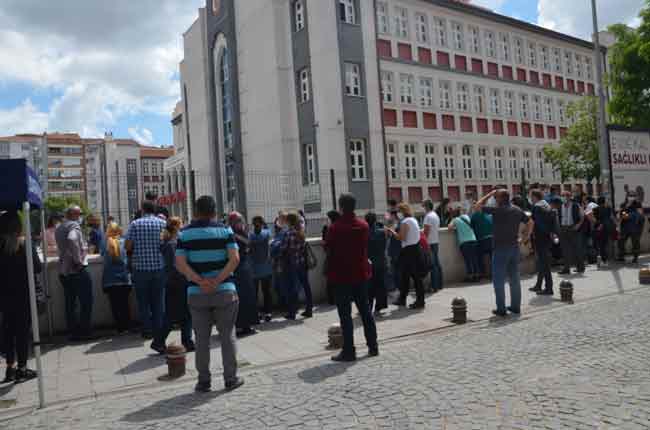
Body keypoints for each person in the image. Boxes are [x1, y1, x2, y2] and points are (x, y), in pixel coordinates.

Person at [175, 196, 243, 393]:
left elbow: (180, 263)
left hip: (197, 294)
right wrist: (218, 280)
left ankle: (203, 381)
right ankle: (230, 378)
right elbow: (234, 259)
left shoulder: (184, 234)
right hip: (225, 292)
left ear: (195, 211)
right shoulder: (225, 230)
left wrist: (199, 281)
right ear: (214, 211)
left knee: (201, 338)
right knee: (227, 336)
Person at [326, 193, 378, 362]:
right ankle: (373, 346)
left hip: (341, 277)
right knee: (365, 311)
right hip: (360, 275)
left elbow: (329, 249)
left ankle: (349, 350)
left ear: (340, 207)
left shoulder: (335, 228)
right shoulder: (363, 226)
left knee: (345, 316)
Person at [474, 189, 533, 317]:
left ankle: (501, 309)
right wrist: (524, 238)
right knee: (515, 279)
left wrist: (489, 193)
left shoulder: (497, 210)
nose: (495, 199)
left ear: (500, 199)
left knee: (498, 280)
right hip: (514, 247)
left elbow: (477, 206)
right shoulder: (517, 210)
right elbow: (530, 222)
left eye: (496, 197)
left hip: (500, 248)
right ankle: (515, 307)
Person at [0, 211, 40, 383]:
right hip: (23, 295)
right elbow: (37, 267)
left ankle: (10, 368)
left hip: (3, 297)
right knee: (22, 332)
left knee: (7, 331)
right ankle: (22, 369)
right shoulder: (24, 245)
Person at [125, 200, 166, 342]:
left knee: (143, 301)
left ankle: (147, 330)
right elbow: (168, 243)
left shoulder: (135, 224)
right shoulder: (162, 223)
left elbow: (128, 246)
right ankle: (158, 329)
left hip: (140, 269)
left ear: (142, 210)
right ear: (154, 210)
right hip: (159, 268)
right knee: (159, 301)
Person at [153, 217, 194, 353]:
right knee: (183, 314)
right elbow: (177, 265)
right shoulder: (173, 244)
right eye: (181, 225)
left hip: (173, 282)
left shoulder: (168, 243)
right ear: (176, 227)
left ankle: (183, 341)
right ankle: (181, 341)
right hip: (179, 282)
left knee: (177, 314)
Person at [55, 205, 94, 340]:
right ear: (74, 215)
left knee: (70, 303)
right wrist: (78, 261)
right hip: (77, 270)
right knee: (86, 301)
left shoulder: (59, 227)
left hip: (63, 271)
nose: (81, 216)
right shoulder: (74, 226)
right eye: (80, 214)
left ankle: (73, 332)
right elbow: (72, 239)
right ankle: (84, 332)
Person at [388, 203, 425, 309]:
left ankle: (419, 301)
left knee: (414, 277)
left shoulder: (405, 221)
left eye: (398, 211)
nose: (397, 214)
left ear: (402, 211)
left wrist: (392, 231)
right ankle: (402, 298)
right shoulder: (413, 220)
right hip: (414, 249)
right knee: (406, 275)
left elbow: (401, 237)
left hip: (409, 251)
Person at [228, 212, 258, 337]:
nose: (242, 223)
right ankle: (241, 326)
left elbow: (249, 243)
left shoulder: (239, 233)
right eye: (239, 221)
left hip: (244, 268)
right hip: (238, 269)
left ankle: (246, 325)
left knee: (248, 297)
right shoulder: (231, 234)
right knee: (240, 299)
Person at [278, 213, 313, 319]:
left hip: (291, 264)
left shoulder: (288, 233)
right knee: (306, 286)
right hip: (301, 263)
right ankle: (309, 310)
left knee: (291, 288)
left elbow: (283, 249)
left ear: (289, 221)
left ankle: (292, 312)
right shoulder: (300, 232)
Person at [101, 223, 133, 334]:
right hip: (124, 277)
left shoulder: (104, 243)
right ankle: (127, 326)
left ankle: (120, 328)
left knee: (115, 305)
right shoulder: (124, 242)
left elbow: (102, 257)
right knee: (125, 303)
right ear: (119, 231)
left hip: (110, 280)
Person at [528, 189, 559, 295]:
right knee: (542, 262)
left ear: (535, 197)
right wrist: (551, 233)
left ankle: (549, 288)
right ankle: (538, 285)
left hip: (541, 238)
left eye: (531, 196)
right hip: (548, 237)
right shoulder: (546, 205)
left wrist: (530, 235)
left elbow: (537, 224)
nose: (530, 198)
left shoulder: (537, 207)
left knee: (544, 263)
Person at [249, 216, 273, 322]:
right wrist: (264, 224)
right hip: (266, 267)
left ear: (253, 225)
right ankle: (268, 313)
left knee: (254, 293)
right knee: (266, 291)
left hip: (254, 268)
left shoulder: (250, 236)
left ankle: (256, 313)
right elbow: (269, 233)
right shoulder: (266, 233)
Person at [448, 208, 480, 283]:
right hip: (473, 239)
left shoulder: (455, 220)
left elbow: (449, 227)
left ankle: (470, 276)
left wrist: (452, 220)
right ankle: (477, 275)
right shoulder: (466, 216)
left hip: (464, 242)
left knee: (468, 260)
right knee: (474, 258)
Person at [558, 191, 585, 275]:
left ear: (569, 197)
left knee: (577, 249)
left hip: (573, 228)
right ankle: (566, 268)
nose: (562, 198)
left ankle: (580, 267)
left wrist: (578, 225)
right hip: (563, 228)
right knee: (565, 249)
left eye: (564, 196)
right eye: (561, 196)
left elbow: (582, 216)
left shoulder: (575, 205)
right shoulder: (560, 206)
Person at [365, 212, 387, 316]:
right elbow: (384, 247)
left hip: (369, 263)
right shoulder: (382, 232)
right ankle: (379, 307)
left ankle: (368, 307)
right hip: (381, 262)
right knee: (380, 285)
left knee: (369, 286)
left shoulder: (364, 233)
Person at [422, 200, 443, 292]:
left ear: (426, 206)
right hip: (435, 241)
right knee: (437, 264)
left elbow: (426, 231)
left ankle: (434, 286)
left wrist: (423, 242)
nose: (423, 208)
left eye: (423, 206)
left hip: (429, 242)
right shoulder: (435, 215)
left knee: (433, 265)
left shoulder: (428, 216)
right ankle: (439, 284)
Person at [321, 210, 340, 305]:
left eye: (328, 218)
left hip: (333, 257)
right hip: (335, 257)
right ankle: (333, 298)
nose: (326, 220)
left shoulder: (331, 229)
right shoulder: (327, 228)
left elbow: (326, 243)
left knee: (331, 279)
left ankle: (332, 299)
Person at [471, 207, 494, 279]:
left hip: (481, 239)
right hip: (492, 239)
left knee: (479, 257)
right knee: (493, 258)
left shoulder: (475, 216)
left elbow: (471, 226)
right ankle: (494, 273)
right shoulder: (490, 215)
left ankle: (482, 273)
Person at [592, 197, 614, 267]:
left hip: (599, 227)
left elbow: (595, 219)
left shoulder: (595, 209)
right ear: (604, 202)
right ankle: (605, 259)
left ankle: (602, 259)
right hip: (607, 228)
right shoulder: (608, 208)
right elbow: (611, 217)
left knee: (599, 244)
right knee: (605, 244)